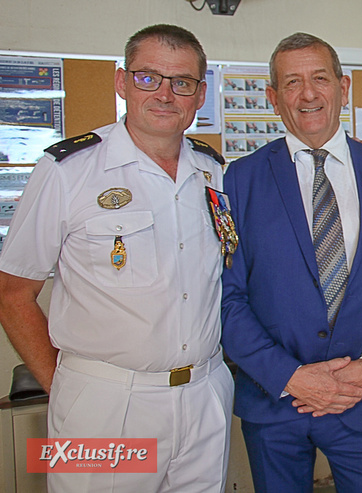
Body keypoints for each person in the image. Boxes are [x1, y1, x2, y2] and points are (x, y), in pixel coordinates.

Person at [0, 24, 233, 492]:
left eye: (181, 82)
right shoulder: (68, 171)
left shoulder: (214, 171)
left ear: (199, 94)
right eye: (148, 77)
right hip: (107, 405)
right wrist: (68, 388)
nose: (164, 94)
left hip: (205, 394)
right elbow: (12, 293)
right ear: (122, 82)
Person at [220, 32, 362, 492]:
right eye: (292, 82)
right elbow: (227, 298)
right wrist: (290, 377)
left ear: (344, 87)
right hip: (275, 404)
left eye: (320, 79)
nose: (308, 94)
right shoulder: (240, 179)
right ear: (273, 98)